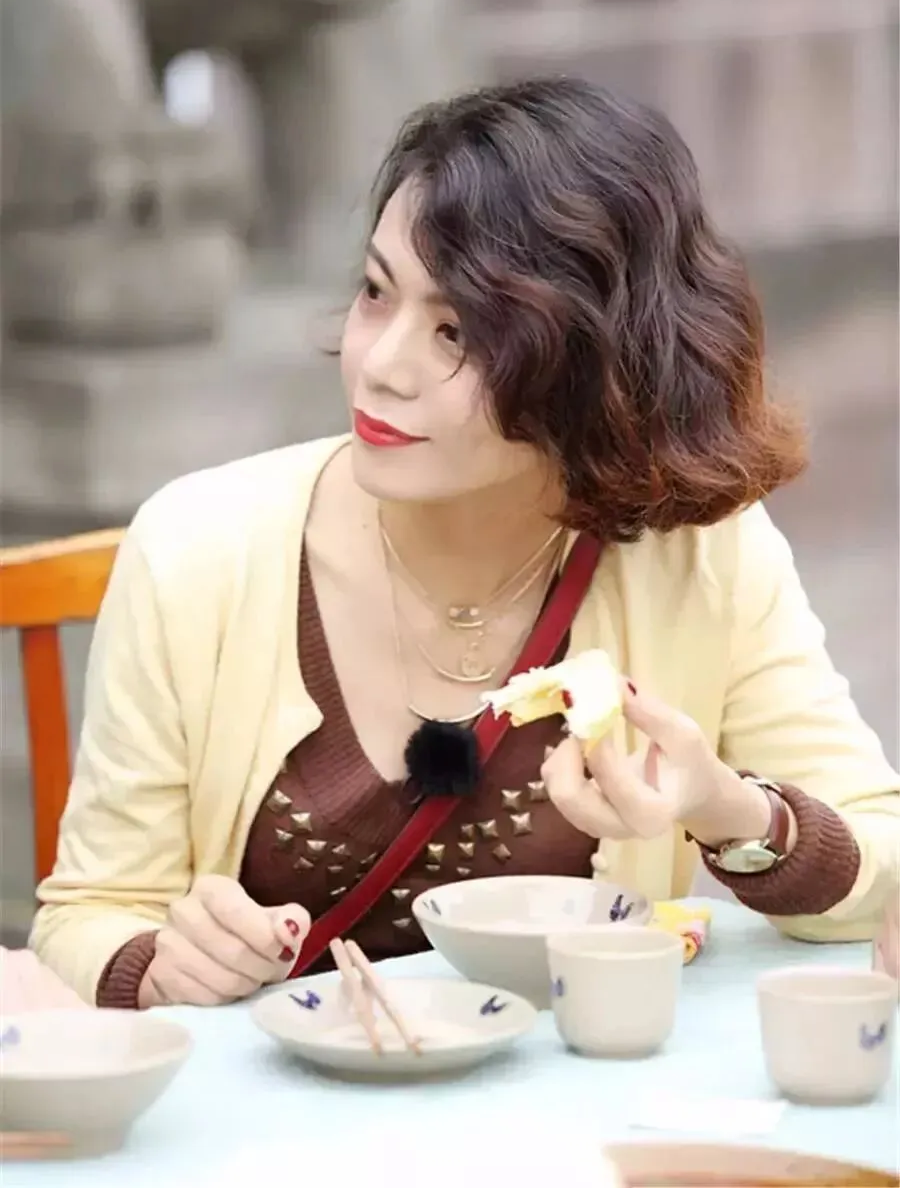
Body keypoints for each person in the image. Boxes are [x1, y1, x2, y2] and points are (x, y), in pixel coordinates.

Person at [30, 77, 900, 1008]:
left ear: (591, 361)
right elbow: (87, 914)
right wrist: (158, 968)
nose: (381, 365)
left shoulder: (698, 552)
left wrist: (727, 807)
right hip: (277, 1098)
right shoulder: (197, 547)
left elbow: (878, 875)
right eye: (376, 293)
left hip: (578, 1088)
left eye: (456, 331)